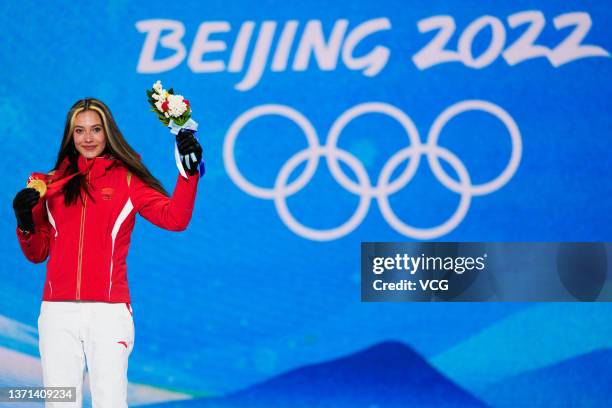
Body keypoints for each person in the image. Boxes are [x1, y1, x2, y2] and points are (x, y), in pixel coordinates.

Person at [12, 97, 203, 407]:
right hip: (57, 313)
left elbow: (175, 218)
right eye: (80, 131)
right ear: (70, 136)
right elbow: (37, 253)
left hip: (108, 313)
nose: (88, 138)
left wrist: (188, 174)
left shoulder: (129, 180)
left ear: (108, 132)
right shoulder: (49, 184)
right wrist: (25, 222)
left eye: (96, 129)